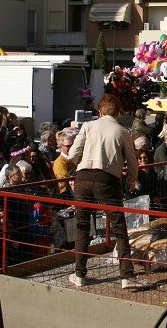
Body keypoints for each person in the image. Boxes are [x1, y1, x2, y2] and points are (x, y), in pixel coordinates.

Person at [67, 94, 141, 290]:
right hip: (108, 180)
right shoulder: (123, 131)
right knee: (119, 227)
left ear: (100, 111)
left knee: (82, 227)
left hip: (82, 178)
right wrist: (131, 181)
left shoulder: (88, 126)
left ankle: (79, 274)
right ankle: (127, 276)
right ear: (118, 113)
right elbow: (132, 162)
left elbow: (73, 155)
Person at [52, 132, 77, 197]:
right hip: (66, 196)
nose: (71, 148)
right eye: (68, 146)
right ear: (61, 147)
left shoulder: (74, 158)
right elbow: (63, 183)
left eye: (72, 145)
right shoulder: (59, 162)